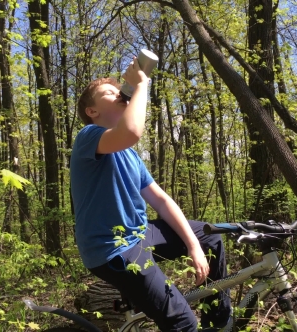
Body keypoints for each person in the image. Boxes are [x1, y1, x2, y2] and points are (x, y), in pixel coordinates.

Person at [70, 58, 231, 332]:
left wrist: (193, 245)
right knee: (182, 321)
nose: (119, 93)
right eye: (109, 92)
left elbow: (162, 201)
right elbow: (131, 131)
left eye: (119, 89)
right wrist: (142, 83)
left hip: (140, 233)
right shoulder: (88, 136)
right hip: (113, 248)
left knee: (210, 236)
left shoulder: (129, 154)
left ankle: (218, 325)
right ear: (92, 110)